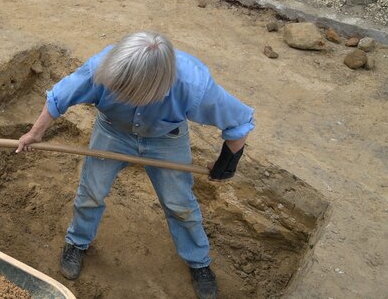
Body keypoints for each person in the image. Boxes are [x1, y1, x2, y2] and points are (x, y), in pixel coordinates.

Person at [16, 31, 254, 299]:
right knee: (91, 193)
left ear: (155, 89)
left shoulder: (193, 84)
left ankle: (199, 262)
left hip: (166, 139)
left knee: (180, 205)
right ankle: (77, 243)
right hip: (112, 132)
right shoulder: (101, 67)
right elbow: (59, 97)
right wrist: (35, 133)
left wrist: (228, 161)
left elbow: (239, 122)